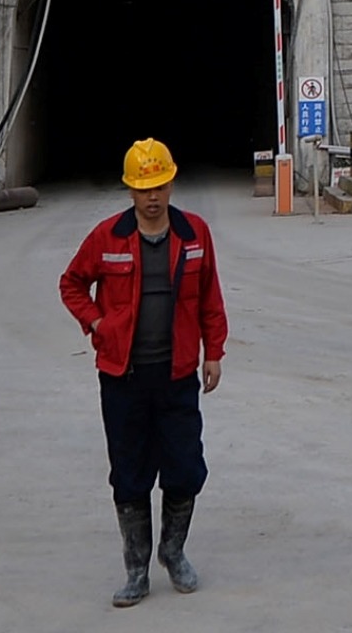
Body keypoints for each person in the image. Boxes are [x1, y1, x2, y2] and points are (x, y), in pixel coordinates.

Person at [61, 139, 228, 607]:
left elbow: (211, 295)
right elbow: (72, 283)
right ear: (130, 191)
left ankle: (173, 553)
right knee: (130, 476)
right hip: (123, 378)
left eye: (158, 186)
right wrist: (96, 322)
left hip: (176, 376)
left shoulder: (194, 234)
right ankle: (136, 570)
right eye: (142, 188)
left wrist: (213, 351)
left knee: (185, 469)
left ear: (171, 183)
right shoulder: (107, 237)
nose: (152, 197)